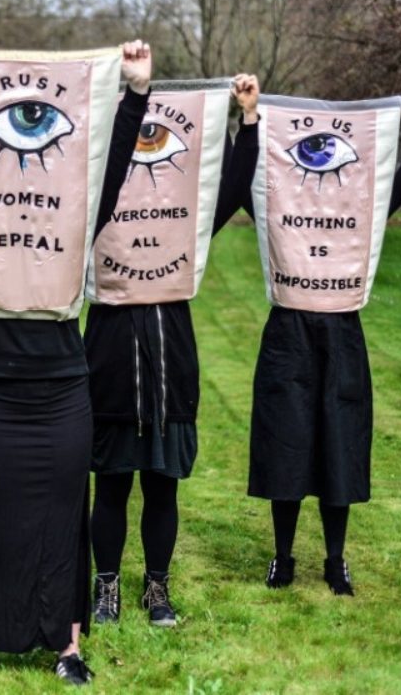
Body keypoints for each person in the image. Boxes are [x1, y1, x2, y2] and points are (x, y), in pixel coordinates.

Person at [0, 37, 151, 685]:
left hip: (63, 389)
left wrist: (136, 93)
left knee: (63, 514)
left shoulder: (77, 215)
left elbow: (116, 165)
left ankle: (66, 646)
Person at [85, 75, 260, 626]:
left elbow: (232, 187)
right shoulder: (93, 204)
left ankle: (156, 589)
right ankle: (106, 587)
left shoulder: (188, 222)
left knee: (162, 487)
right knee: (110, 485)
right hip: (110, 358)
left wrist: (246, 121)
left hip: (170, 359)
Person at [246, 86, 401, 595]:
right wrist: (250, 121)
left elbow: (400, 182)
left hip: (342, 331)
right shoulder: (274, 209)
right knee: (286, 441)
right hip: (288, 333)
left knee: (339, 440)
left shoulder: (362, 219)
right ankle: (283, 555)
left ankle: (335, 560)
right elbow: (243, 179)